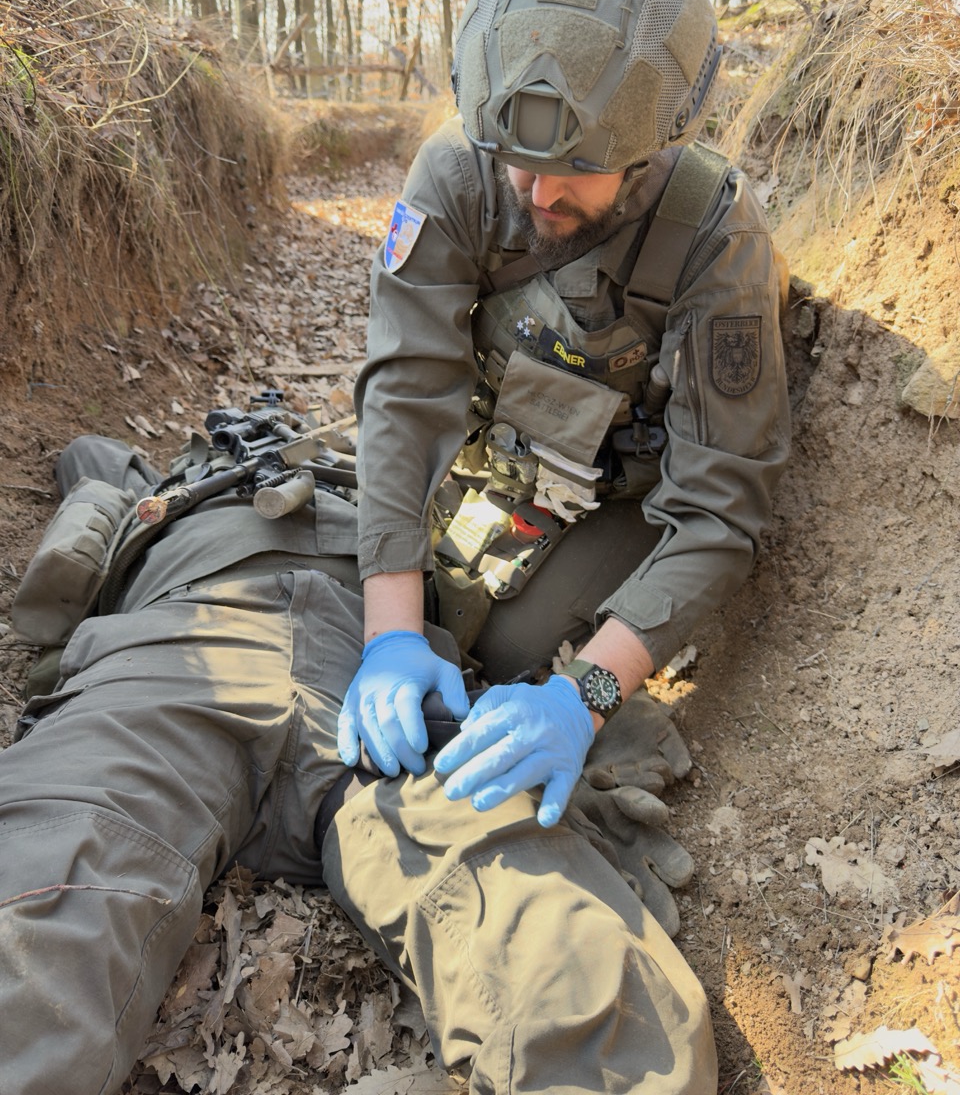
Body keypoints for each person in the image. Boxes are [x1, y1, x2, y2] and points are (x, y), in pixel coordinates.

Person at [0, 403, 715, 1095]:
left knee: (586, 994)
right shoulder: (175, 483)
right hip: (185, 644)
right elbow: (87, 455)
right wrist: (188, 467)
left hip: (384, 672)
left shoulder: (372, 476)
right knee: (34, 916)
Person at [349, 0, 790, 847]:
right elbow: (404, 394)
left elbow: (720, 506)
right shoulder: (457, 175)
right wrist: (387, 635)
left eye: (576, 171)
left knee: (510, 653)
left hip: (618, 488)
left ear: (654, 142)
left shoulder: (716, 238)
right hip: (496, 445)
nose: (538, 194)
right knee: (390, 596)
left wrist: (584, 696)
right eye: (519, 162)